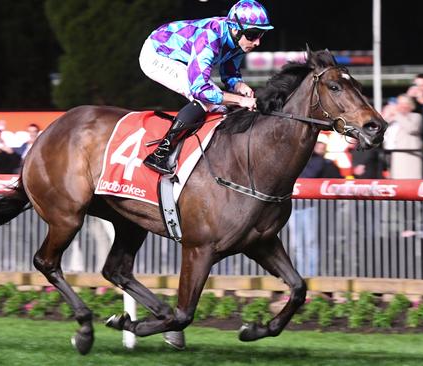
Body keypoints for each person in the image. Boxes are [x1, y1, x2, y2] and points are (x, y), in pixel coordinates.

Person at [139, 0, 272, 175]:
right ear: (234, 28)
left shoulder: (238, 40)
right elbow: (199, 89)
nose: (257, 42)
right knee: (207, 100)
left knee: (222, 107)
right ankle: (160, 153)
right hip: (157, 54)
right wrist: (240, 100)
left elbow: (230, 74)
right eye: (253, 35)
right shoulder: (210, 37)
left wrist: (240, 86)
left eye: (261, 34)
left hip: (182, 59)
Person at [293, 135, 342, 277]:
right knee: (296, 246)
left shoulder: (319, 161)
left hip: (309, 207)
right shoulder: (296, 158)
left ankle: (311, 275)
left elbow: (308, 176)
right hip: (294, 206)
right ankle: (301, 275)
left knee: (310, 243)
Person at [383, 95, 423, 179]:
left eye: (406, 103)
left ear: (411, 105)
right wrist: (387, 114)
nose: (403, 106)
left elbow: (412, 128)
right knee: (396, 179)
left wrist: (397, 114)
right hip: (394, 154)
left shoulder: (416, 116)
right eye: (400, 103)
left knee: (411, 179)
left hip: (410, 154)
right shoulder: (393, 118)